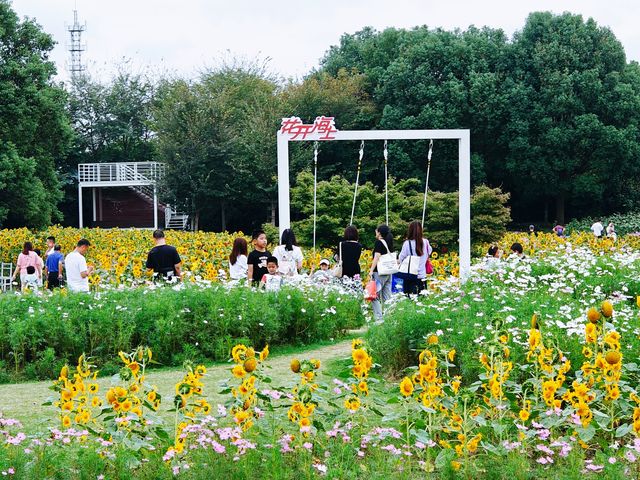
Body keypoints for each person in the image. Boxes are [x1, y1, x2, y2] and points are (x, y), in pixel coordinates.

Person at [397, 221, 432, 295]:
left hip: (410, 275)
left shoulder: (407, 243)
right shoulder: (425, 242)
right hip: (422, 275)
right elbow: (429, 252)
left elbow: (401, 258)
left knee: (409, 300)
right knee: (422, 300)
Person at [368, 225, 394, 322]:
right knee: (387, 296)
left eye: (376, 231)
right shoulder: (389, 242)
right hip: (388, 272)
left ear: (379, 232)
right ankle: (389, 317)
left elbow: (377, 256)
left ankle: (379, 319)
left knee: (375, 296)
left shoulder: (379, 242)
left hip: (379, 272)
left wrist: (371, 270)